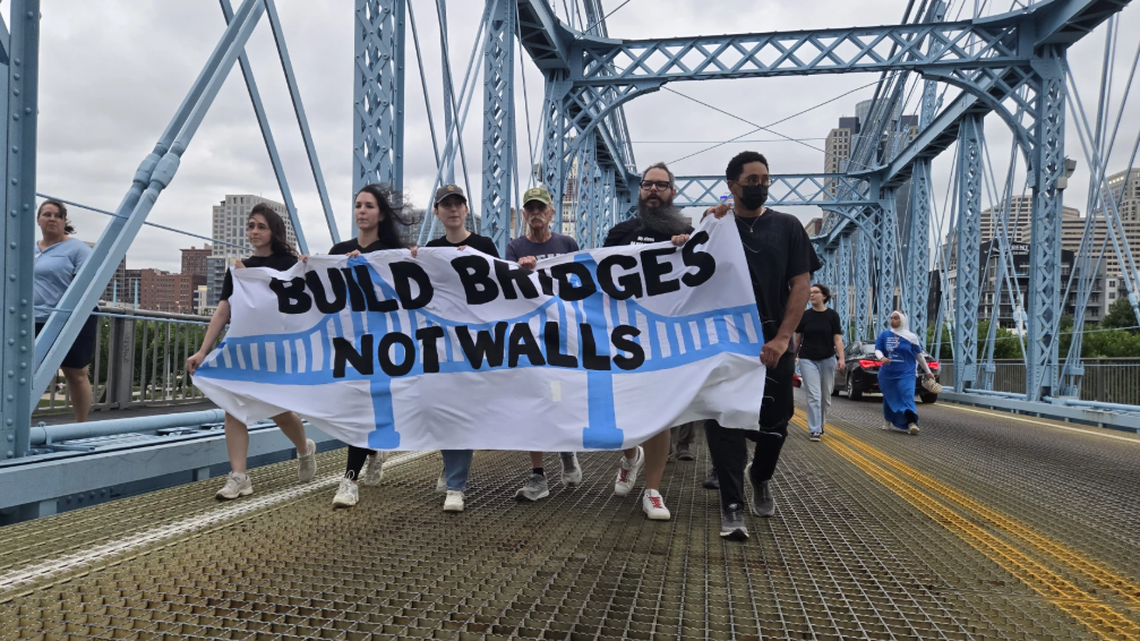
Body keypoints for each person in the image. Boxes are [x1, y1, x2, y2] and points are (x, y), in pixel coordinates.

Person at [704, 151, 821, 541]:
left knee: (775, 424)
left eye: (764, 180)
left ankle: (760, 475)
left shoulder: (788, 226)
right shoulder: (716, 226)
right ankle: (732, 504)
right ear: (732, 185)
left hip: (774, 342)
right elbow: (689, 272)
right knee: (724, 421)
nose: (759, 187)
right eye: (750, 181)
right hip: (725, 344)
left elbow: (801, 284)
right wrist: (707, 220)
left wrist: (783, 338)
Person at [186, 204, 317, 499]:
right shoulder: (239, 269)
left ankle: (304, 450)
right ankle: (239, 476)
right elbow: (224, 310)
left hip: (277, 350)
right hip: (243, 350)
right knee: (232, 407)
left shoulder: (290, 264)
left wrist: (308, 267)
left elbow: (310, 301)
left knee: (279, 411)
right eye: (250, 226)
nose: (254, 232)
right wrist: (203, 351)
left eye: (261, 226)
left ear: (273, 231)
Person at [325, 184, 427, 508]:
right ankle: (374, 450)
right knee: (356, 405)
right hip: (351, 340)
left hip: (383, 341)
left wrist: (414, 259)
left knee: (365, 406)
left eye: (369, 206)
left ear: (381, 214)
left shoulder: (391, 252)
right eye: (358, 205)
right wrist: (304, 264)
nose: (362, 211)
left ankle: (349, 480)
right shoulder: (339, 250)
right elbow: (322, 289)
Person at [602, 162, 693, 521]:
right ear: (639, 190)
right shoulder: (619, 233)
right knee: (618, 410)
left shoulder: (687, 233)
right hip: (622, 333)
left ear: (672, 191)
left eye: (661, 185)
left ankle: (653, 490)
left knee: (660, 415)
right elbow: (598, 277)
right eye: (647, 184)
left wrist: (687, 249)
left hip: (664, 337)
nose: (653, 190)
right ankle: (630, 456)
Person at [422, 184, 499, 512]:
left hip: (477, 340)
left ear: (466, 209)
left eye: (458, 204)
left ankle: (455, 479)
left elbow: (502, 286)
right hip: (442, 341)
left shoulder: (484, 245)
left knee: (465, 408)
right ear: (437, 213)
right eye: (446, 205)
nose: (453, 209)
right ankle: (454, 474)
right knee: (444, 407)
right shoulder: (431, 249)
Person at [506, 186, 584, 502]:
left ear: (551, 213)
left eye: (541, 208)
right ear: (525, 215)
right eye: (530, 209)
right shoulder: (515, 247)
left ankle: (566, 450)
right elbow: (506, 289)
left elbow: (580, 282)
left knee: (562, 396)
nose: (536, 213)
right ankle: (538, 475)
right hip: (531, 334)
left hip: (562, 332)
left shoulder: (567, 244)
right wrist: (520, 273)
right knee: (533, 399)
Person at [34, 200, 97, 423]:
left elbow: (88, 286)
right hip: (35, 318)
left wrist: (70, 318)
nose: (52, 219)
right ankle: (19, 425)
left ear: (64, 221)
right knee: (26, 372)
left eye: (58, 215)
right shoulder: (29, 248)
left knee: (75, 373)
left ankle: (81, 426)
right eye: (47, 214)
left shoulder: (78, 249)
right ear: (38, 219)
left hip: (72, 319)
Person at [794, 284, 845, 442]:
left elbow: (837, 338)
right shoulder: (804, 316)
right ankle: (815, 429)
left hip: (827, 359)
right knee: (814, 395)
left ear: (824, 296)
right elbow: (797, 339)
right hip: (807, 358)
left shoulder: (832, 315)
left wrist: (841, 358)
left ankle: (820, 424)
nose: (812, 295)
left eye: (815, 292)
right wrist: (792, 357)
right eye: (810, 292)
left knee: (825, 397)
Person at [875, 311, 934, 435]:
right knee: (890, 397)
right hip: (887, 374)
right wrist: (882, 358)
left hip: (906, 373)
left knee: (907, 395)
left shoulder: (911, 337)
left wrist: (928, 371)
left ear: (903, 320)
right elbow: (878, 349)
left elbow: (919, 356)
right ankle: (887, 420)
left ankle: (911, 423)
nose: (892, 320)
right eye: (891, 318)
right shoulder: (884, 335)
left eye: (896, 318)